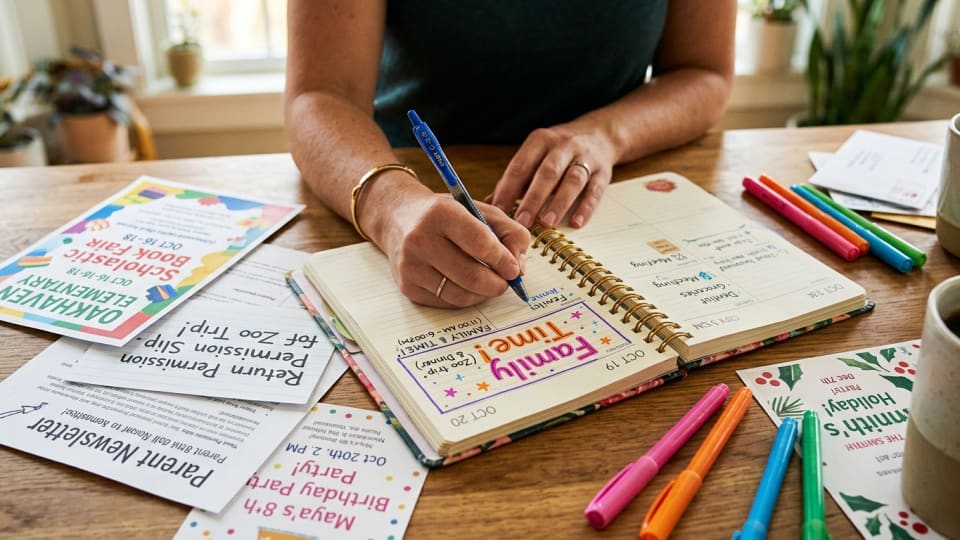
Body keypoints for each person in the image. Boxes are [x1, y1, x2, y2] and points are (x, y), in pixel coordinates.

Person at [285, 1, 735, 309]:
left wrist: (607, 134)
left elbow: (704, 72)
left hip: (616, 190)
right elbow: (320, 95)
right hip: (399, 181)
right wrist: (393, 206)